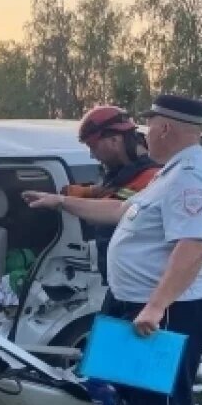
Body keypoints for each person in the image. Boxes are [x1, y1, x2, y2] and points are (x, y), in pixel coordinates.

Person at [24, 94, 202, 405]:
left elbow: (191, 249)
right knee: (137, 397)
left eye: (150, 124)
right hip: (136, 302)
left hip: (165, 311)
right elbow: (120, 211)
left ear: (166, 129)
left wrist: (154, 307)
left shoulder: (192, 179)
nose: (144, 131)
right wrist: (59, 202)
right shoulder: (169, 175)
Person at [65, 105, 160, 278]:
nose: (92, 155)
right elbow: (111, 190)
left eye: (93, 147)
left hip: (138, 283)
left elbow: (115, 207)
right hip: (119, 279)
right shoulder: (123, 173)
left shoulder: (152, 178)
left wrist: (61, 201)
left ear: (114, 141)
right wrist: (85, 192)